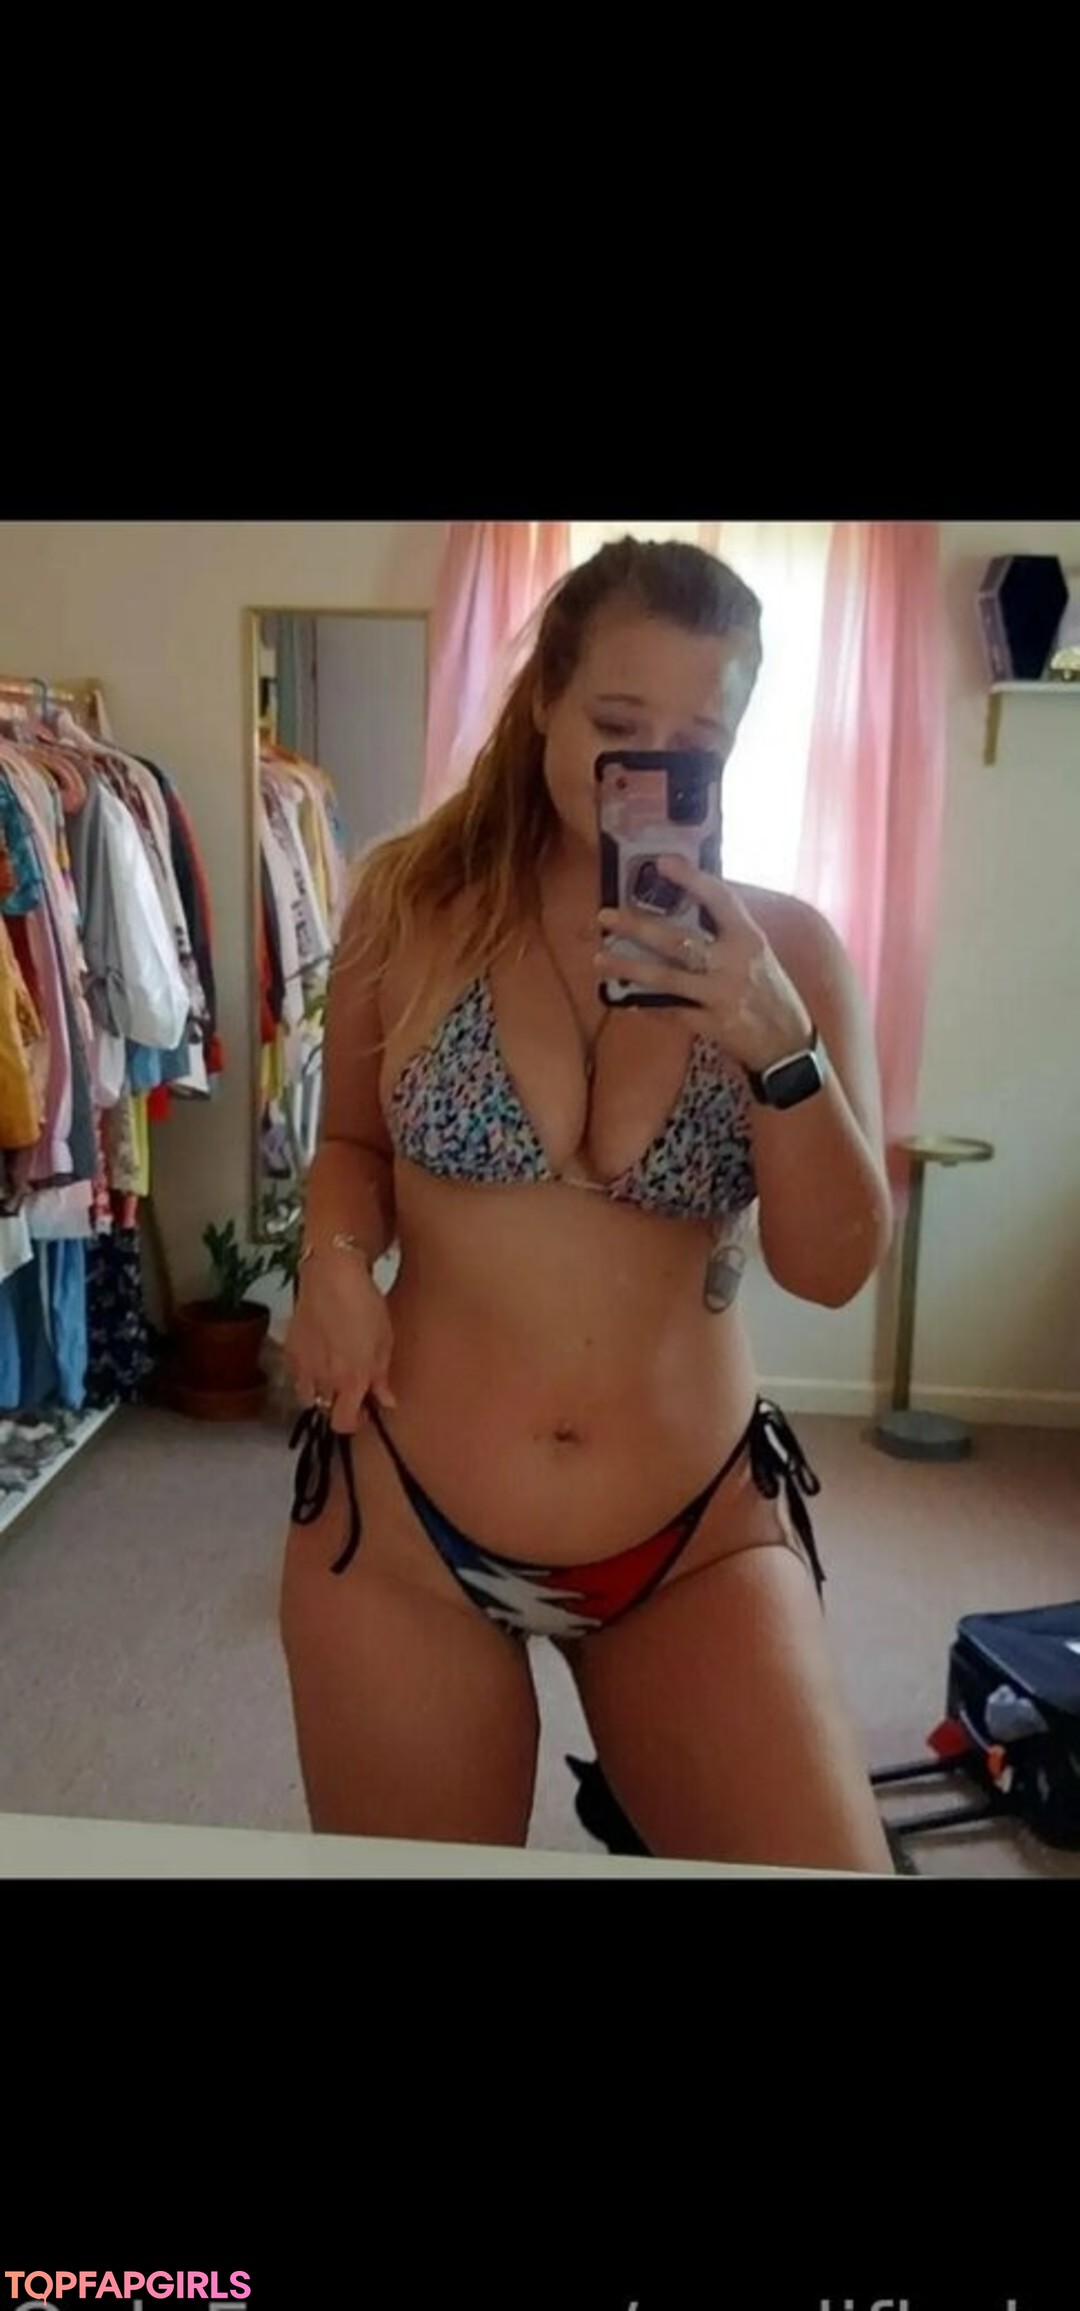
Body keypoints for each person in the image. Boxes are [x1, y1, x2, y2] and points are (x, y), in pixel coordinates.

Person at [279, 536, 896, 1873]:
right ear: (545, 701)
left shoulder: (787, 951)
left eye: (695, 742)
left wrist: (779, 1046)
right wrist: (331, 1262)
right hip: (406, 1525)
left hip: (693, 1539)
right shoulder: (410, 905)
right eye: (617, 724)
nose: (648, 768)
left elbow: (835, 1268)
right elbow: (350, 1148)